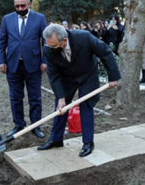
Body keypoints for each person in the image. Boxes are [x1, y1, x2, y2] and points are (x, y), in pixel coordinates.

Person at [37, 24, 121, 157]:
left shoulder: (84, 37)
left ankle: (88, 142)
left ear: (64, 40)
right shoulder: (49, 49)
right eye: (48, 45)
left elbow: (105, 52)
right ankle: (56, 139)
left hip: (88, 75)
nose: (50, 48)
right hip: (67, 77)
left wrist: (113, 77)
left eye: (53, 46)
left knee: (86, 105)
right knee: (61, 107)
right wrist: (61, 97)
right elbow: (53, 74)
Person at [0, 0, 48, 139]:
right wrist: (1, 61)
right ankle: (19, 125)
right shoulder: (7, 19)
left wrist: (45, 61)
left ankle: (35, 125)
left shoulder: (39, 18)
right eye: (17, 6)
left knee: (35, 98)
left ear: (29, 4)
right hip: (13, 66)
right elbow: (2, 42)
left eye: (23, 5)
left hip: (33, 65)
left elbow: (46, 42)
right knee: (15, 97)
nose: (20, 8)